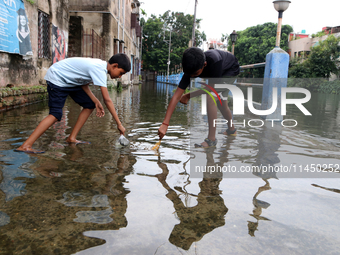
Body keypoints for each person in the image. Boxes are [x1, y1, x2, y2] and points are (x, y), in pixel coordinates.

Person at [15, 53, 131, 154]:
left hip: (70, 82)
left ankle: (72, 138)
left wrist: (95, 101)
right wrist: (119, 124)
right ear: (115, 65)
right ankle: (25, 146)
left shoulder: (101, 67)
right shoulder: (99, 69)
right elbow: (108, 100)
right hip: (57, 78)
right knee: (55, 114)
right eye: (121, 73)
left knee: (89, 105)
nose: (119, 76)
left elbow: (83, 83)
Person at [158, 47, 240, 148]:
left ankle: (211, 140)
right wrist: (165, 123)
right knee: (222, 103)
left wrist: (189, 95)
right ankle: (232, 130)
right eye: (190, 74)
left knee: (210, 98)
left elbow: (210, 90)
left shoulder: (214, 62)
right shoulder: (191, 67)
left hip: (230, 70)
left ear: (204, 64)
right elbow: (176, 96)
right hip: (220, 71)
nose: (192, 76)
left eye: (195, 74)